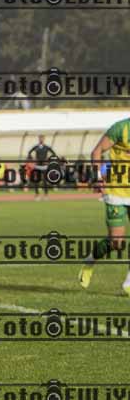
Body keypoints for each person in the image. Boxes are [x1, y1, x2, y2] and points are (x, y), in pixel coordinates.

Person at [79, 118, 130, 295]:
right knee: (116, 242)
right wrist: (97, 177)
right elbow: (97, 151)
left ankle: (129, 283)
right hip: (116, 192)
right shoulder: (121, 128)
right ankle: (90, 260)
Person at [27, 134, 57, 200]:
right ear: (38, 139)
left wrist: (48, 160)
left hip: (44, 166)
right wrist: (33, 159)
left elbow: (54, 154)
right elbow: (29, 153)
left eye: (42, 138)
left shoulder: (47, 147)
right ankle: (37, 195)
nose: (41, 139)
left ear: (44, 139)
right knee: (36, 181)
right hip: (37, 165)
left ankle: (46, 195)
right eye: (40, 138)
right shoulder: (36, 147)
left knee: (45, 181)